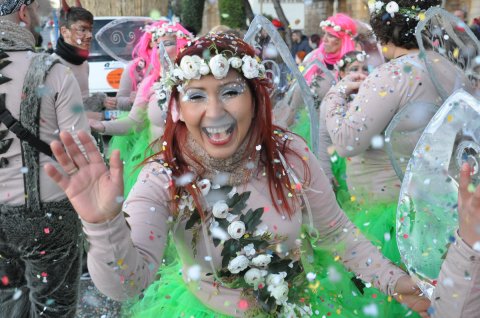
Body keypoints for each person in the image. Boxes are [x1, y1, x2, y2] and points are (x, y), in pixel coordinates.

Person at [45, 33, 480, 318]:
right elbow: (128, 283)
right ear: (180, 106)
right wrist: (102, 226)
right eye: (197, 96)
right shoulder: (165, 177)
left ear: (256, 98)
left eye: (231, 92)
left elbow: (335, 233)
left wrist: (394, 280)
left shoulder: (289, 154)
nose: (214, 113)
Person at [324, 0, 475, 281]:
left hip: (391, 218)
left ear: (384, 29)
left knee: (392, 294)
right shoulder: (454, 72)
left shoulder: (393, 75)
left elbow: (347, 142)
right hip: (439, 212)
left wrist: (334, 98)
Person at [0, 0, 91, 316]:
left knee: (8, 302)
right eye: (37, 9)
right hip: (47, 218)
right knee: (55, 309)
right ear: (23, 12)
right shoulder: (52, 71)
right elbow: (80, 148)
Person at [89, 20, 192, 195]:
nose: (159, 50)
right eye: (156, 44)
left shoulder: (198, 81)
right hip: (157, 167)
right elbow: (133, 123)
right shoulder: (149, 83)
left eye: (168, 43)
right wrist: (103, 126)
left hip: (191, 166)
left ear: (182, 44)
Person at [53, 0, 116, 112]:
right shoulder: (52, 65)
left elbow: (82, 101)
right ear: (64, 31)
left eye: (90, 30)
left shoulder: (84, 64)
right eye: (82, 29)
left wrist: (101, 102)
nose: (90, 35)